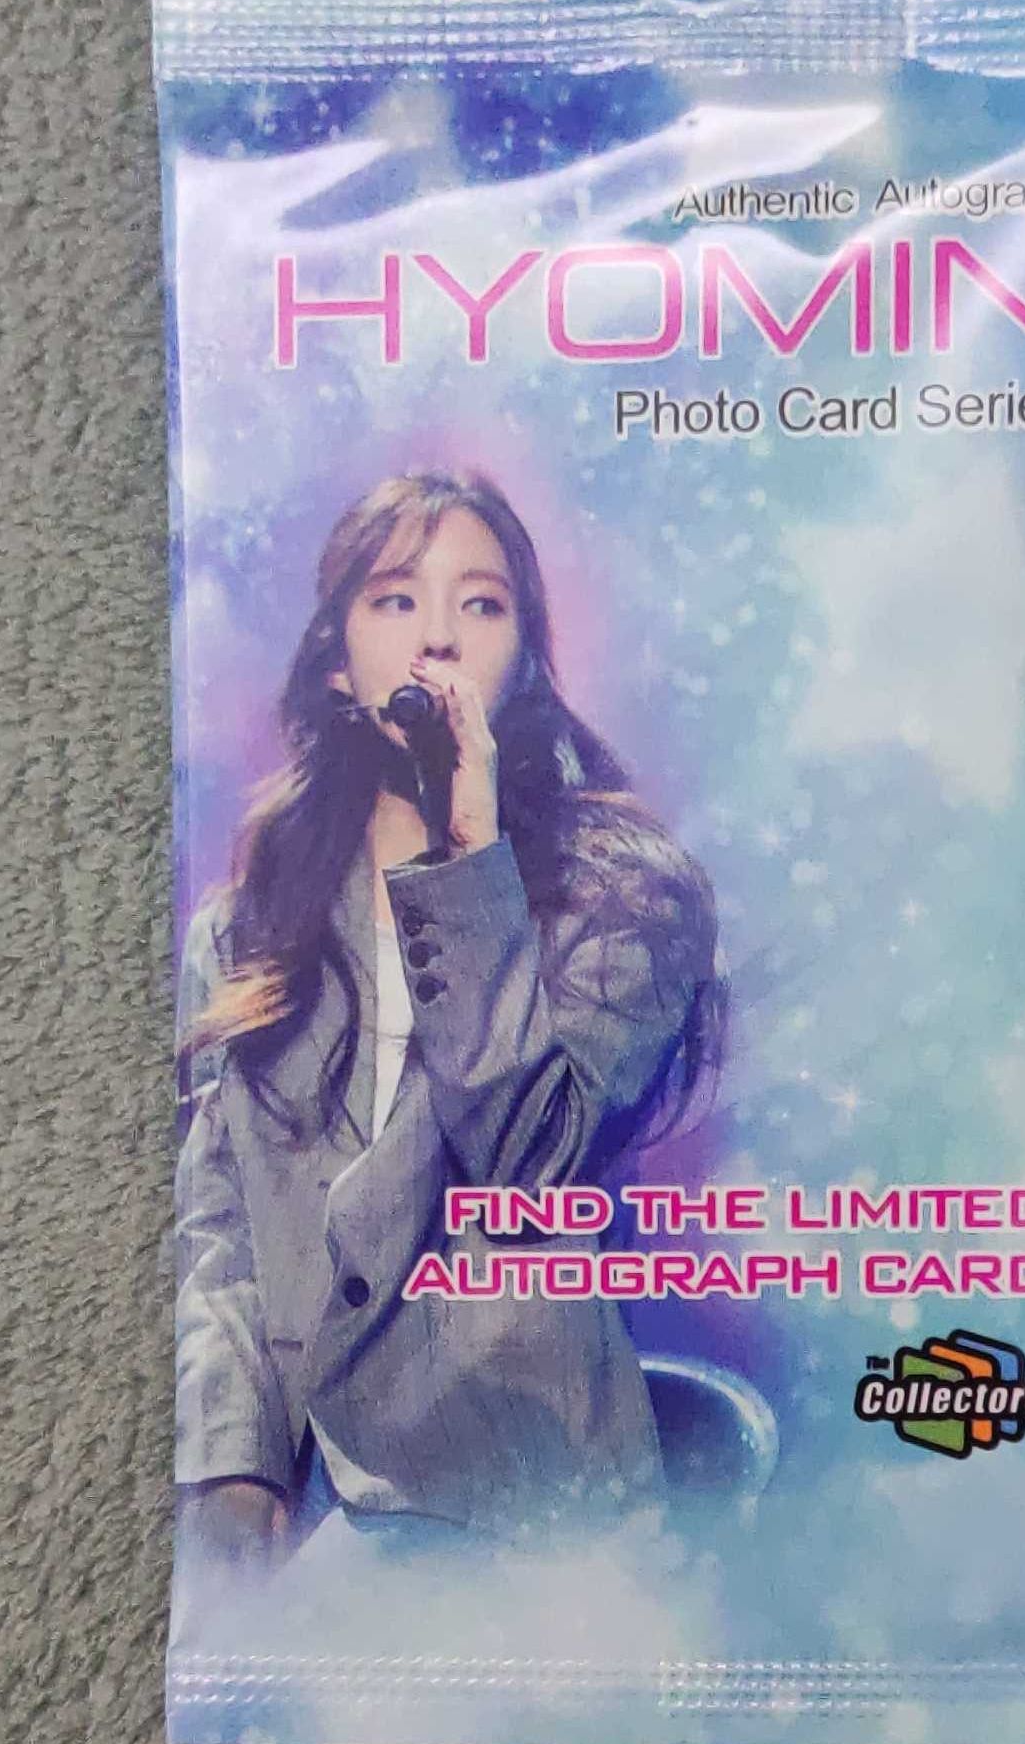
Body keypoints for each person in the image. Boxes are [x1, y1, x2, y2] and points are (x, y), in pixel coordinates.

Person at [172, 469, 725, 1595]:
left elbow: (529, 1159)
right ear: (337, 660)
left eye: (481, 604)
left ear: (523, 661)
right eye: (394, 599)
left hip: (534, 1519)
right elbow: (219, 1224)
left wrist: (469, 848)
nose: (437, 636)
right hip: (312, 1526)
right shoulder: (245, 927)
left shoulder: (627, 897)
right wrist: (230, 1464)